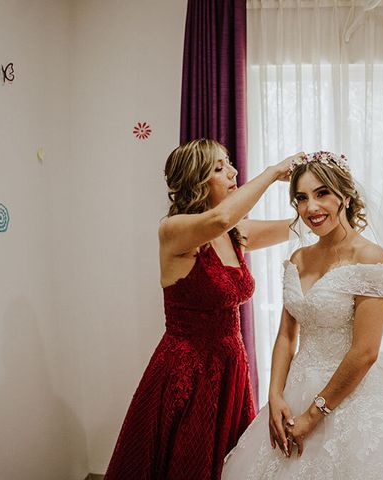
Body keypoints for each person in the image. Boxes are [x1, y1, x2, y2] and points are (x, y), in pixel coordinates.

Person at [221, 151, 383, 479]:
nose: (311, 208)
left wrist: (312, 415)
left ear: (345, 197)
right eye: (302, 198)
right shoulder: (299, 258)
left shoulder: (369, 256)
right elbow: (286, 336)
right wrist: (275, 395)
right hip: (296, 387)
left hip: (354, 393)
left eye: (322, 194)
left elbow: (365, 352)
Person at [104, 139, 301, 480]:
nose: (233, 171)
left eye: (229, 163)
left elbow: (296, 227)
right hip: (188, 372)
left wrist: (325, 200)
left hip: (230, 366)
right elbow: (219, 218)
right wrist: (271, 173)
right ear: (196, 181)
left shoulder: (234, 233)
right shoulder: (174, 230)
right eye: (219, 167)